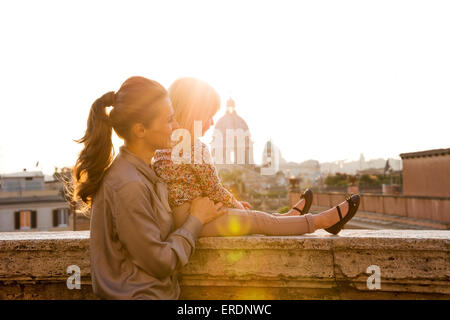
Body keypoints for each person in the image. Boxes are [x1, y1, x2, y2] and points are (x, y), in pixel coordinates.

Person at [72, 76, 226, 300]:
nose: (175, 127)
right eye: (169, 120)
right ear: (140, 130)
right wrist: (196, 219)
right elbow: (160, 261)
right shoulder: (129, 185)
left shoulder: (144, 173)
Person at [153, 77, 360, 237]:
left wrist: (232, 204)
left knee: (256, 218)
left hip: (185, 217)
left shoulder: (165, 143)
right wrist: (234, 204)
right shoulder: (192, 145)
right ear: (194, 111)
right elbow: (212, 188)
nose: (213, 121)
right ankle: (322, 221)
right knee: (257, 221)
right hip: (194, 220)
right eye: (209, 114)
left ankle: (290, 217)